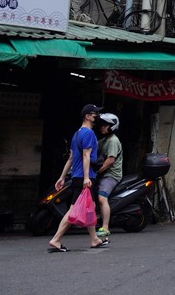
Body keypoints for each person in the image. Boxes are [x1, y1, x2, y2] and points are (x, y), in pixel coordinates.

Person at [48, 104, 107, 252]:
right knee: (75, 210)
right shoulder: (88, 134)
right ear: (87, 116)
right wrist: (87, 178)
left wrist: (62, 177)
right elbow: (86, 155)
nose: (97, 117)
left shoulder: (76, 134)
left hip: (78, 176)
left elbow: (71, 158)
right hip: (84, 177)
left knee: (90, 207)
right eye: (95, 114)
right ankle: (56, 239)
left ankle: (94, 239)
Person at [94, 112, 123, 240]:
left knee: (101, 198)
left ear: (112, 126)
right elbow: (92, 148)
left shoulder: (113, 141)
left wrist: (98, 171)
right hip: (104, 174)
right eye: (102, 125)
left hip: (111, 175)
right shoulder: (104, 140)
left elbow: (110, 160)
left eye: (106, 125)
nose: (102, 127)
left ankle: (105, 227)